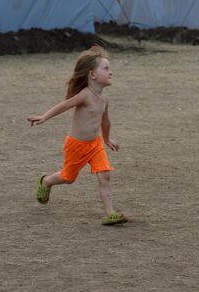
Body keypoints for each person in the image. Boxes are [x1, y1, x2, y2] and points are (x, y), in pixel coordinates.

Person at [27, 45, 127, 226]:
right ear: (93, 75)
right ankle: (47, 181)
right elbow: (64, 106)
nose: (111, 72)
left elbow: (106, 122)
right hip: (76, 145)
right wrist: (44, 116)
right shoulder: (85, 95)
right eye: (106, 69)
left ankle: (110, 213)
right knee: (68, 178)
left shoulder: (104, 100)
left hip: (95, 145)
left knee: (104, 176)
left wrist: (107, 139)